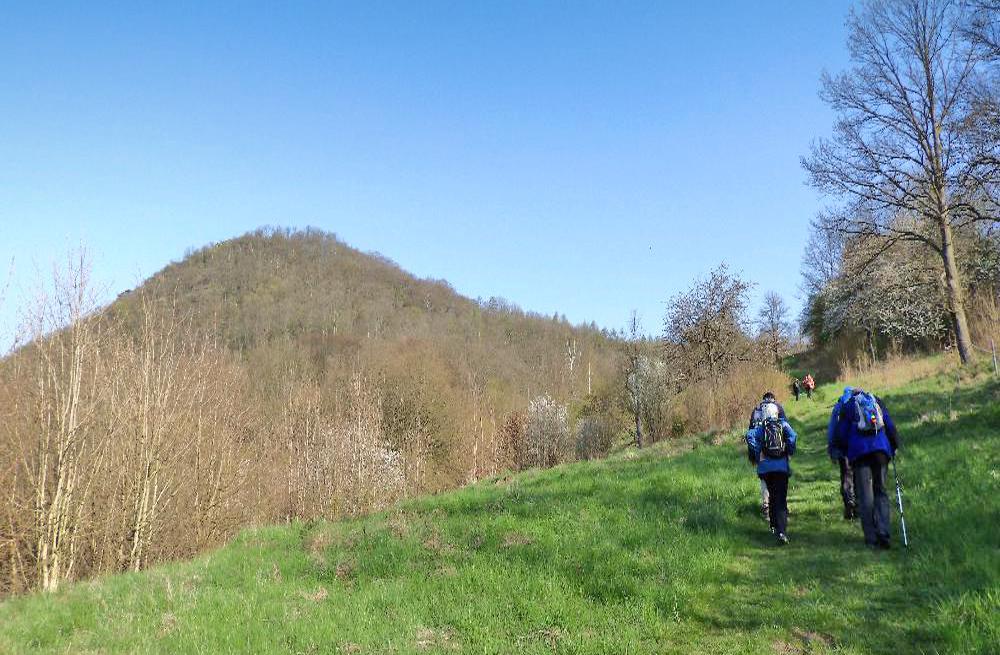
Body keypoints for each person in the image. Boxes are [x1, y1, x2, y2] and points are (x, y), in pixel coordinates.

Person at [833, 388, 899, 549]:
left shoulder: (848, 406)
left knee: (865, 496)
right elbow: (889, 424)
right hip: (880, 452)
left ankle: (871, 538)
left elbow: (841, 433)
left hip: (860, 454)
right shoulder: (877, 401)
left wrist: (842, 451)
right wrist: (894, 445)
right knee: (881, 491)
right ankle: (883, 532)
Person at [746, 401, 798, 545]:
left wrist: (758, 453)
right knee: (780, 497)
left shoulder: (761, 428)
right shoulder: (783, 424)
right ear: (776, 413)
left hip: (765, 469)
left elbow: (749, 436)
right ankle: (781, 531)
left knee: (773, 495)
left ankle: (774, 526)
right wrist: (789, 450)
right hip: (781, 467)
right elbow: (793, 437)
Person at [747, 392, 787, 520]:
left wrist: (755, 451)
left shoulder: (756, 409)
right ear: (773, 399)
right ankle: (780, 506)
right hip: (779, 450)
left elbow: (750, 432)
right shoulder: (778, 407)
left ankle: (766, 506)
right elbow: (785, 428)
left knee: (764, 479)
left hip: (762, 452)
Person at [827, 387, 857, 520]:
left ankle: (849, 502)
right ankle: (859, 505)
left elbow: (832, 428)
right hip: (857, 448)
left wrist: (831, 448)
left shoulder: (838, 407)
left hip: (841, 449)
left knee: (846, 476)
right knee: (858, 476)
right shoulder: (856, 404)